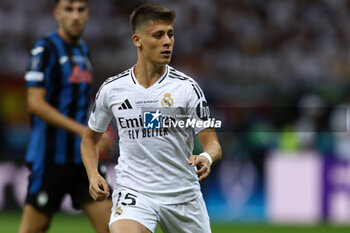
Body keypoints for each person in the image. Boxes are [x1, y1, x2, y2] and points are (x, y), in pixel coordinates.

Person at [81, 3, 222, 233]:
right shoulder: (112, 89)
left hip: (182, 195)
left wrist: (206, 156)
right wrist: (93, 174)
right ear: (137, 40)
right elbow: (89, 139)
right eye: (158, 35)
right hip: (134, 191)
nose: (168, 41)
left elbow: (213, 143)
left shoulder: (187, 88)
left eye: (170, 34)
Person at [19, 1, 113, 233]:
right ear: (57, 13)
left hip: (83, 158)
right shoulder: (45, 49)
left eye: (81, 9)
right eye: (69, 9)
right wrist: (84, 131)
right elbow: (35, 103)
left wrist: (94, 133)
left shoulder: (83, 50)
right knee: (35, 227)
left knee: (112, 227)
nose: (75, 16)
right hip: (51, 157)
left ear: (87, 14)